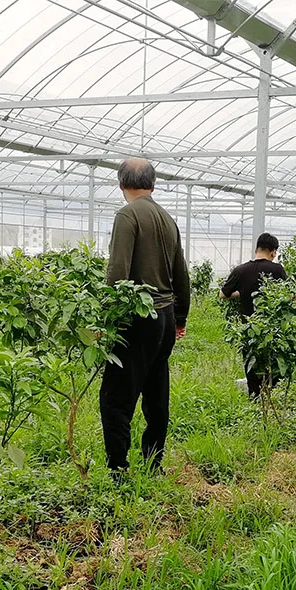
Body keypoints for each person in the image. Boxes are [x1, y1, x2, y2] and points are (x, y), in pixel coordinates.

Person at [100, 157, 190, 478]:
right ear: (153, 185)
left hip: (138, 317)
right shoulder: (167, 219)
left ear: (121, 184)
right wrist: (180, 317)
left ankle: (118, 469)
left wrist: (107, 321)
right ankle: (154, 464)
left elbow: (117, 273)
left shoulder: (127, 216)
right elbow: (181, 273)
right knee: (156, 392)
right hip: (164, 316)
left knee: (116, 397)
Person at [219, 232, 287, 397]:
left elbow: (223, 294)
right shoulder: (277, 270)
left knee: (251, 360)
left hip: (249, 327)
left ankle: (254, 395)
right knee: (272, 361)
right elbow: (288, 294)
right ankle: (271, 394)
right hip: (272, 327)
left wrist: (242, 292)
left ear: (257, 249)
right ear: (273, 252)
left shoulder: (241, 270)